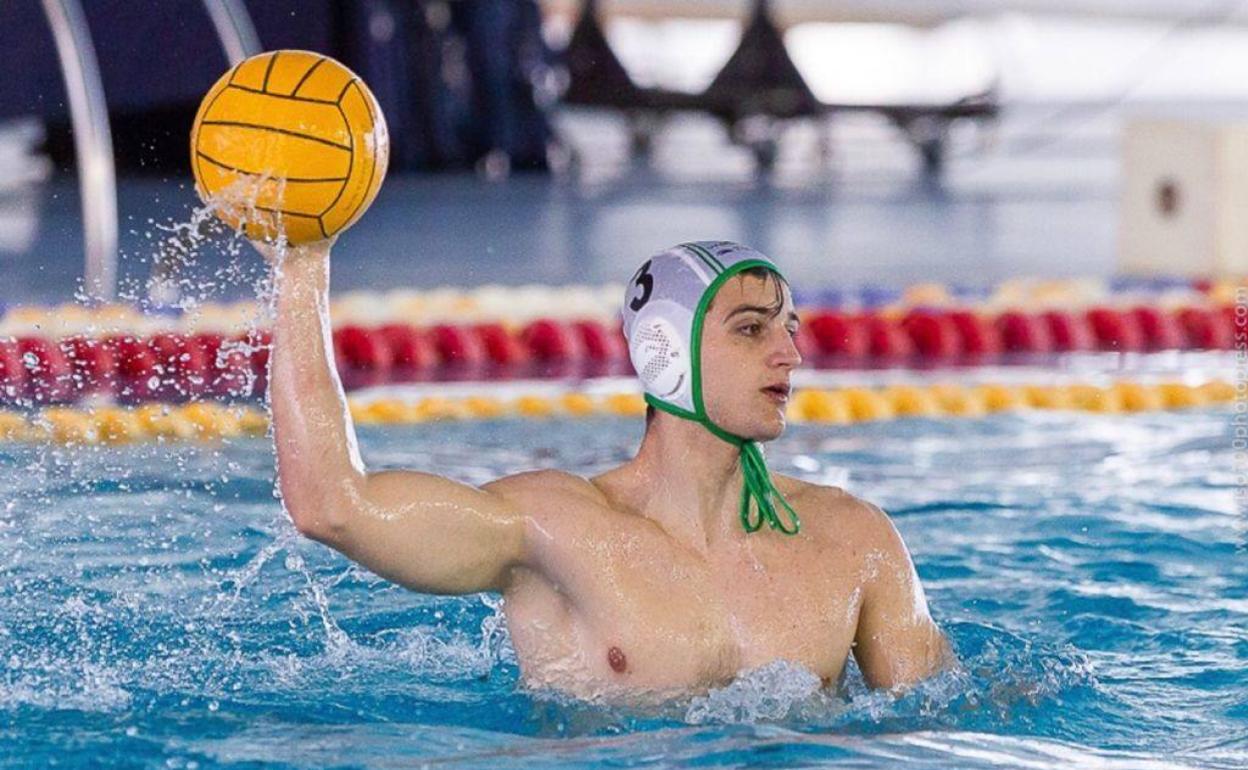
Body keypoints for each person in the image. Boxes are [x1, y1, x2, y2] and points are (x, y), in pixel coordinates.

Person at [263, 237, 952, 701]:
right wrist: (302, 263)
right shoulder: (555, 530)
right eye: (751, 329)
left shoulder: (853, 542)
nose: (790, 355)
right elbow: (332, 504)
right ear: (663, 352)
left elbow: (944, 726)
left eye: (790, 328)